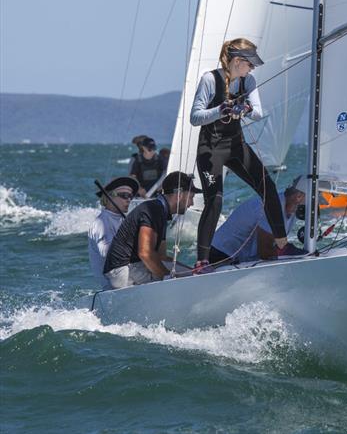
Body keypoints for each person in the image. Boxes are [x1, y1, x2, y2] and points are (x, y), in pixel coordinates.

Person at [189, 37, 288, 262]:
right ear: (236, 61)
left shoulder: (248, 81)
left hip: (236, 146)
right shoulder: (209, 79)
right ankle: (202, 262)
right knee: (214, 201)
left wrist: (245, 108)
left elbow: (258, 113)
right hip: (210, 149)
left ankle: (282, 243)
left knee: (268, 186)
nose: (252, 68)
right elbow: (195, 117)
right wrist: (221, 109)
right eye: (249, 63)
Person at [103, 171, 200, 289]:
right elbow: (145, 253)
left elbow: (162, 256)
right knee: (182, 283)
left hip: (134, 266)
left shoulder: (162, 211)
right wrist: (169, 277)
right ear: (179, 194)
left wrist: (192, 271)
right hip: (122, 270)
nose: (192, 203)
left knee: (190, 276)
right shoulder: (153, 210)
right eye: (191, 197)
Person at [208, 177, 307, 265]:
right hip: (220, 256)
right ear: (299, 197)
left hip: (238, 259)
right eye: (314, 197)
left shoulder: (293, 207)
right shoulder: (272, 208)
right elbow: (265, 251)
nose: (317, 202)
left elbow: (276, 246)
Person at [87, 176, 139, 289]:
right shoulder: (101, 223)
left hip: (131, 277)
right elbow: (108, 254)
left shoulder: (124, 221)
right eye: (124, 196)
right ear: (110, 196)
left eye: (130, 196)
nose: (129, 199)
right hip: (114, 285)